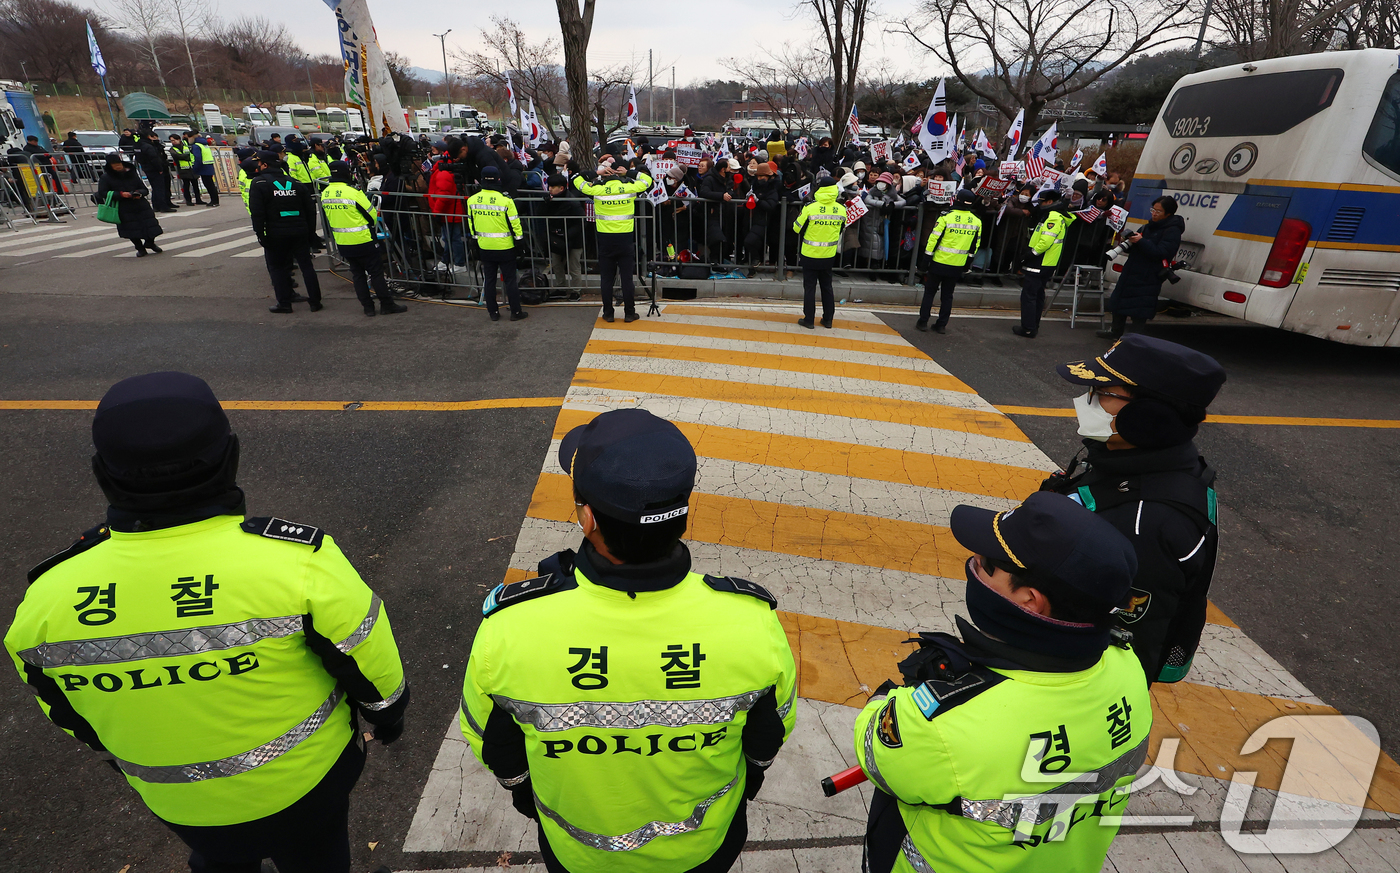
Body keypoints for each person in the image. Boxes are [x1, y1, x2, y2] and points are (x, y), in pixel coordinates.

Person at [4, 372, 409, 873]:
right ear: (231, 456)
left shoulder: (45, 601)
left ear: (102, 475)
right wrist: (388, 720)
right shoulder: (296, 562)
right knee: (317, 857)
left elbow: (74, 719)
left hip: (177, 802)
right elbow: (373, 671)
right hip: (308, 782)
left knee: (220, 857)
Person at [460, 407, 797, 873]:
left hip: (579, 856)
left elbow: (494, 746)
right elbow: (766, 739)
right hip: (702, 850)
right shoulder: (751, 623)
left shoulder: (511, 630)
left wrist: (524, 794)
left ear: (588, 518)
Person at [856, 491, 1151, 873]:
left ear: (1030, 600)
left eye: (988, 565)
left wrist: (887, 697)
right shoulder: (1127, 669)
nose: (974, 566)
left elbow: (874, 751)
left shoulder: (944, 723)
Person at [1039, 335, 1226, 684]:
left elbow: (1124, 644)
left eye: (1103, 392)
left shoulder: (1147, 521)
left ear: (1149, 417)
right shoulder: (1131, 462)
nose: (1086, 400)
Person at [321, 161, 408, 317]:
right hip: (363, 240)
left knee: (358, 275)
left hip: (343, 242)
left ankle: (368, 307)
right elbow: (372, 215)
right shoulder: (352, 192)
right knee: (376, 273)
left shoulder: (326, 193)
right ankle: (386, 304)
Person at [572, 157, 653, 323]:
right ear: (619, 176)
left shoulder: (596, 190)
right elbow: (648, 180)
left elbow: (575, 179)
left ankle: (608, 313)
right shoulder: (629, 188)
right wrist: (629, 171)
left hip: (605, 239)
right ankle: (630, 313)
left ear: (604, 177)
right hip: (625, 238)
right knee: (627, 278)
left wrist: (596, 172)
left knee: (607, 279)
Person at [248, 150, 323, 314]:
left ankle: (284, 303)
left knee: (277, 267)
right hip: (299, 231)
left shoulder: (259, 183)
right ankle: (315, 302)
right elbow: (310, 210)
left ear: (265, 165)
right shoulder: (295, 183)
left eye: (259, 164)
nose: (257, 167)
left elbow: (257, 213)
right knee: (306, 266)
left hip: (276, 233)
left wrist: (260, 234)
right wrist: (310, 232)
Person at [1100, 196, 1184, 339]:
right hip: (1132, 270)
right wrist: (1130, 243)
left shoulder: (1172, 231)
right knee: (1119, 301)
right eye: (1153, 210)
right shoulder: (1147, 226)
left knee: (1140, 308)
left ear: (1168, 213)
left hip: (1149, 274)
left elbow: (1161, 253)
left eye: (1158, 211)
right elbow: (1138, 247)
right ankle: (1115, 331)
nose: (1154, 213)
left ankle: (1134, 338)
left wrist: (1142, 241)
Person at [466, 165, 527, 322]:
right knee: (510, 281)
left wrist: (474, 239)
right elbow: (516, 224)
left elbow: (471, 223)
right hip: (505, 246)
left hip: (484, 246)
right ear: (498, 179)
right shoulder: (506, 200)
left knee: (490, 280)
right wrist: (520, 242)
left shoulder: (472, 200)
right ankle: (516, 312)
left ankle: (493, 312)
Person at [916, 188, 982, 334]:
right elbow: (974, 247)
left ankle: (923, 322)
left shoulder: (946, 217)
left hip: (939, 262)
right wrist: (967, 265)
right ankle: (941, 325)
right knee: (947, 295)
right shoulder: (977, 221)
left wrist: (925, 261)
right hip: (957, 264)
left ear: (957, 200)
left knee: (930, 292)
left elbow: (933, 239)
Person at [1013, 190, 1074, 339]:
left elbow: (1046, 241)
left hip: (1040, 261)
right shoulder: (1054, 215)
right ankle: (1033, 325)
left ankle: (1028, 328)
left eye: (1042, 201)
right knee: (1038, 294)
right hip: (1047, 262)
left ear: (1050, 202)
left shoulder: (1053, 216)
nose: (1040, 204)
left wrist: (1030, 254)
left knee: (1029, 295)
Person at [791, 177, 846, 329]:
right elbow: (841, 229)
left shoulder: (810, 208)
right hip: (828, 255)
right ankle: (828, 319)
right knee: (827, 287)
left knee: (810, 287)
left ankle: (809, 320)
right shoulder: (842, 209)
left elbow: (796, 228)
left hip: (809, 254)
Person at [96, 154, 163, 257]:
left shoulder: (131, 173)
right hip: (123, 206)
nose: (118, 167)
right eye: (115, 165)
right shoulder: (106, 178)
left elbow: (143, 188)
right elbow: (102, 192)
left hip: (140, 204)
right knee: (131, 229)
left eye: (119, 164)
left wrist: (138, 193)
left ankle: (150, 242)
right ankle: (140, 248)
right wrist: (121, 194)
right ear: (110, 166)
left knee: (151, 225)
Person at [543, 173, 585, 290]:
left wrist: (567, 234)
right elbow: (540, 214)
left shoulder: (572, 202)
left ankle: (576, 290)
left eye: (552, 187)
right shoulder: (551, 200)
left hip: (573, 239)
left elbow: (580, 221)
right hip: (557, 237)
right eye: (549, 186)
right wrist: (545, 204)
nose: (549, 189)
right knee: (556, 265)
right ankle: (560, 287)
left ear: (561, 188)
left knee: (573, 266)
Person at [137, 130, 175, 213]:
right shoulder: (148, 146)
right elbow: (154, 158)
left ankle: (156, 206)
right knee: (159, 188)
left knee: (155, 188)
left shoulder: (139, 145)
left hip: (147, 168)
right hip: (154, 169)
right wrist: (159, 169)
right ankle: (163, 206)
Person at [172, 135, 202, 205]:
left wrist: (185, 156)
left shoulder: (186, 146)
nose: (173, 142)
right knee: (186, 186)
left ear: (179, 139)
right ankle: (188, 201)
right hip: (183, 169)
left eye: (174, 140)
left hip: (191, 167)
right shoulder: (173, 149)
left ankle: (198, 199)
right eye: (172, 141)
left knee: (195, 185)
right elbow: (177, 156)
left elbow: (191, 154)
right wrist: (186, 156)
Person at [192, 135, 220, 206]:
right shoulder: (204, 144)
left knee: (209, 185)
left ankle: (214, 201)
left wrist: (195, 169)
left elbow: (198, 158)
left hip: (203, 167)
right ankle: (215, 201)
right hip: (209, 165)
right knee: (211, 185)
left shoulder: (196, 146)